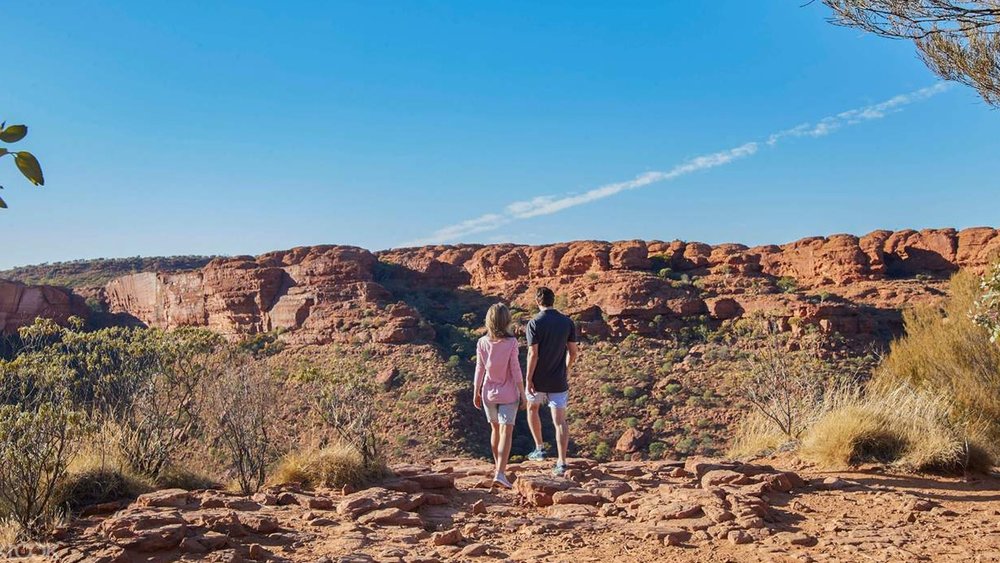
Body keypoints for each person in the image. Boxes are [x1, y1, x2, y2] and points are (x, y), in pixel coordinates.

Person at [524, 287, 579, 476]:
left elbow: (533, 353)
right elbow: (573, 352)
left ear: (537, 301)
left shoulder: (534, 323)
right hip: (558, 378)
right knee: (560, 420)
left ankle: (539, 448)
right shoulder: (567, 322)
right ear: (553, 300)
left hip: (538, 378)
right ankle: (562, 461)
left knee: (533, 409)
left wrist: (528, 378)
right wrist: (566, 368)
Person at [473, 302, 525, 489]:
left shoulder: (482, 342)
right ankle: (500, 473)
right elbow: (515, 369)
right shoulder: (511, 343)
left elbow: (479, 369)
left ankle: (498, 469)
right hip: (509, 393)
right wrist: (523, 392)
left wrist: (476, 391)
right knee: (506, 432)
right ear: (506, 321)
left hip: (488, 392)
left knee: (495, 430)